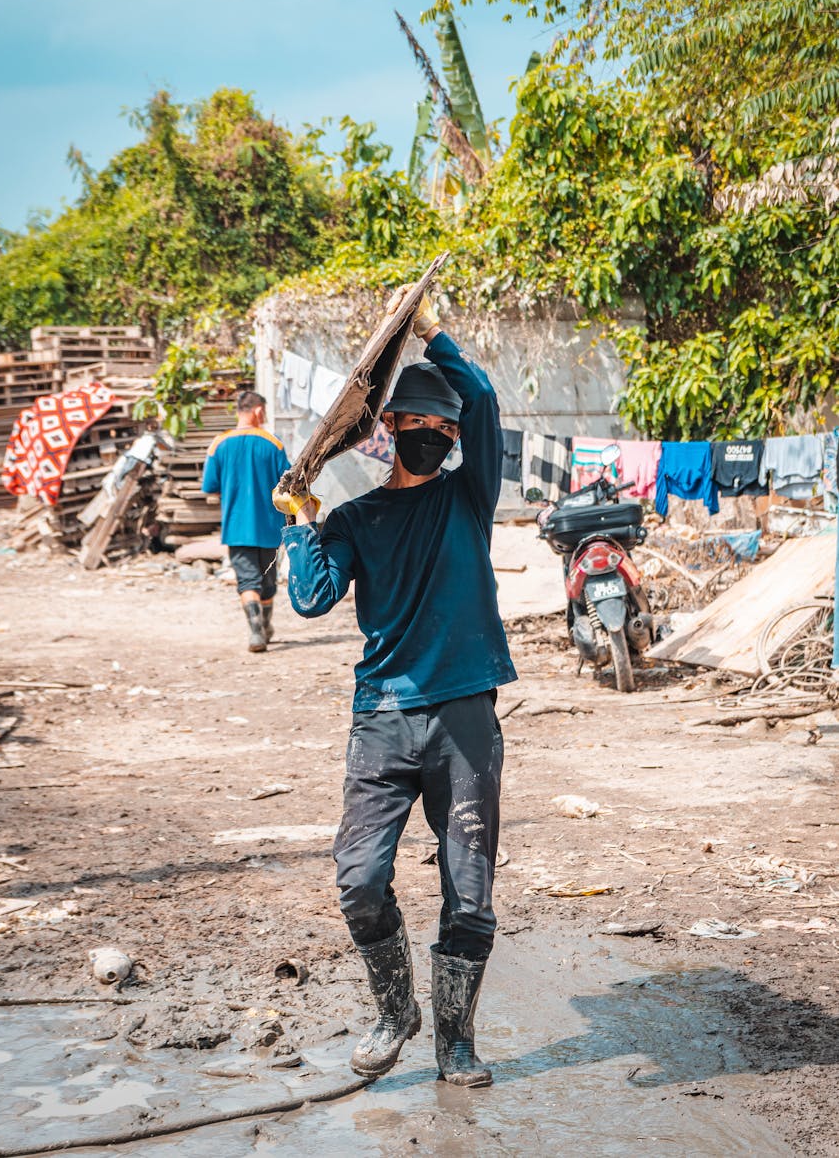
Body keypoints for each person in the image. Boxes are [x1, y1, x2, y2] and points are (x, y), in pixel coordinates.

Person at [274, 292, 516, 1087]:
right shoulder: (353, 518)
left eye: (443, 430)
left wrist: (427, 330)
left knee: (470, 894)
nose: (434, 434)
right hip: (381, 716)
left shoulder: (467, 497)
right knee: (359, 879)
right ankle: (394, 1011)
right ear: (389, 434)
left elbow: (477, 397)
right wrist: (299, 519)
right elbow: (310, 600)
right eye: (418, 424)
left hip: (463, 715)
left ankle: (455, 1043)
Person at [202, 390, 289, 652]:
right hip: (269, 527)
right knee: (268, 581)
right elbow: (287, 483)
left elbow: (210, 487)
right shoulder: (273, 444)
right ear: (259, 411)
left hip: (236, 527)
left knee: (247, 582)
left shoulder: (219, 444)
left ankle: (255, 633)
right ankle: (266, 625)